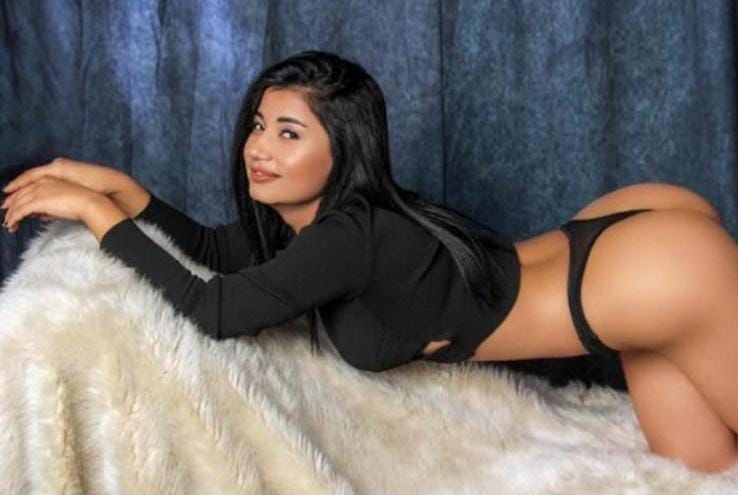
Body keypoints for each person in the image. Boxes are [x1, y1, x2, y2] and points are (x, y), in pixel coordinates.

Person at [1, 49, 737, 474]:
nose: (259, 148)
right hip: (625, 270)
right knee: (707, 472)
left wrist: (98, 215)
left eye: (289, 133)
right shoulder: (317, 226)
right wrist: (130, 195)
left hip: (650, 275)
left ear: (343, 148)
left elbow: (217, 311)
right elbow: (219, 255)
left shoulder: (348, 238)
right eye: (259, 124)